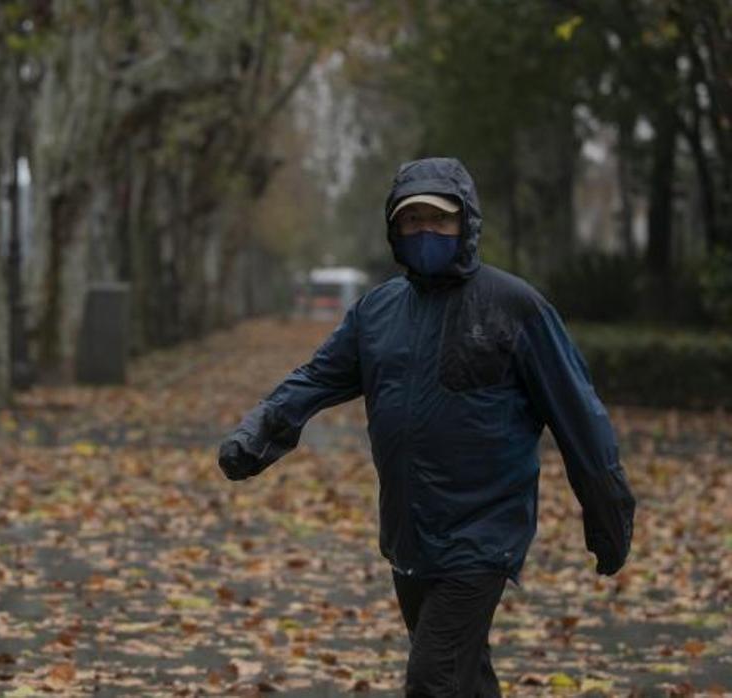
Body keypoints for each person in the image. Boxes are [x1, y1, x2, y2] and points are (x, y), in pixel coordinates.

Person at [217, 157, 636, 697]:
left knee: (432, 678)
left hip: (483, 533)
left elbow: (581, 419)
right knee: (465, 675)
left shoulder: (515, 307)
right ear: (395, 229)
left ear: (466, 223)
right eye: (412, 221)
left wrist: (609, 515)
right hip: (409, 532)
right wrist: (257, 434)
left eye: (439, 220)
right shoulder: (378, 311)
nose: (425, 232)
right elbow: (316, 378)